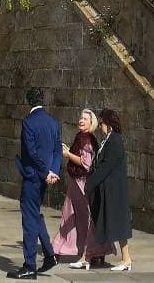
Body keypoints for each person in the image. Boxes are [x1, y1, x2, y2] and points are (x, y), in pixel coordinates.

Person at [8, 87, 62, 280]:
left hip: (33, 176)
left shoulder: (29, 122)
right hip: (46, 176)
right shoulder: (53, 122)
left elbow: (31, 153)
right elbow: (57, 149)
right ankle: (49, 255)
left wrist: (46, 172)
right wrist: (53, 171)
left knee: (29, 219)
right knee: (34, 214)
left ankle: (29, 265)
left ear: (28, 101)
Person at [53, 109, 112, 266]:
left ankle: (62, 249)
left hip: (82, 184)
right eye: (81, 117)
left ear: (91, 123)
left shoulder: (87, 140)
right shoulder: (82, 137)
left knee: (81, 217)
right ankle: (93, 252)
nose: (81, 120)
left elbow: (86, 163)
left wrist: (68, 155)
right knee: (74, 216)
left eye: (85, 118)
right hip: (76, 182)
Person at [83, 108, 132, 272]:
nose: (100, 127)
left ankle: (126, 259)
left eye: (101, 123)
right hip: (108, 189)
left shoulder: (115, 141)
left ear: (108, 123)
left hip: (114, 190)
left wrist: (89, 184)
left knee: (119, 224)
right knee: (115, 224)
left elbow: (106, 167)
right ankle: (122, 258)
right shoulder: (109, 140)